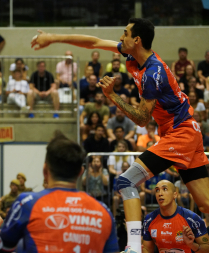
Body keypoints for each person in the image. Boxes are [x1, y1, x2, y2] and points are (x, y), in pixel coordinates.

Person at [29, 19, 209, 250]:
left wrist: (112, 96)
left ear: (137, 40)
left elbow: (143, 120)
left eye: (125, 33)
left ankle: (133, 247)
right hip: (185, 131)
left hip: (180, 133)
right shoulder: (134, 55)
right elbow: (93, 42)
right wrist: (52, 37)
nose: (121, 37)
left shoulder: (153, 73)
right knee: (204, 204)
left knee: (125, 181)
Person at [0, 131, 118, 253]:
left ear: (45, 170)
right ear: (81, 172)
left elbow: (1, 248)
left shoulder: (27, 203)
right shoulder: (104, 211)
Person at [142, 180, 209, 253]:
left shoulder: (192, 218)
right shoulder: (149, 219)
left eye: (165, 189)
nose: (160, 193)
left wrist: (192, 245)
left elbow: (207, 249)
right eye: (157, 190)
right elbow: (147, 249)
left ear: (175, 195)